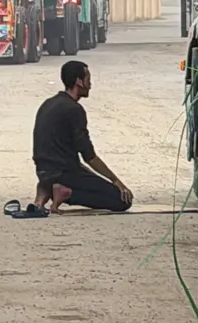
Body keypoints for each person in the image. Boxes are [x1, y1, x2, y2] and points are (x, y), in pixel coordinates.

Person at [30, 60, 133, 213]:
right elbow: (89, 156)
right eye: (88, 80)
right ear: (79, 82)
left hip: (43, 171)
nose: (90, 85)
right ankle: (66, 192)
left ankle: (44, 193)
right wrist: (116, 181)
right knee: (122, 200)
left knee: (83, 176)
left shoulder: (48, 104)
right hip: (64, 173)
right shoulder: (74, 110)